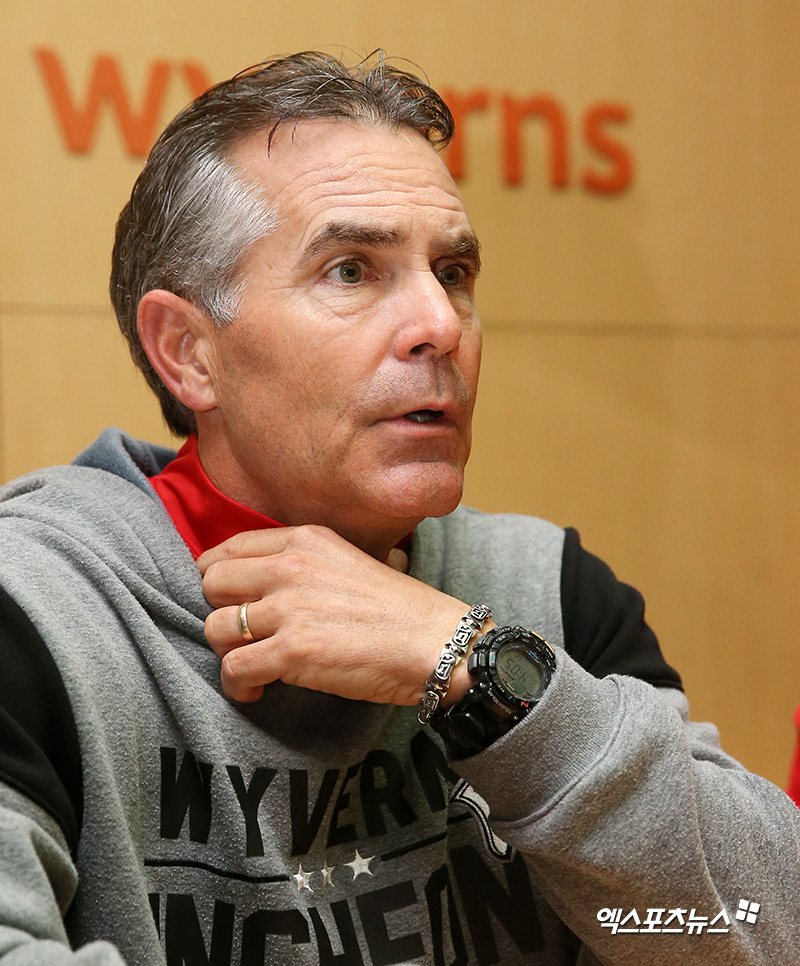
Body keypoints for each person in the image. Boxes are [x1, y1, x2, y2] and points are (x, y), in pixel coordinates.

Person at [0, 51, 797, 966]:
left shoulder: (548, 592)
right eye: (350, 270)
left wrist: (477, 666)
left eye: (453, 272)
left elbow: (763, 929)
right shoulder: (34, 616)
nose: (442, 325)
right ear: (188, 352)